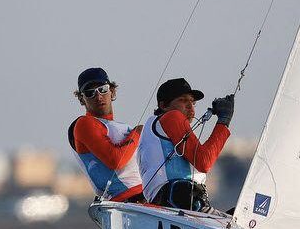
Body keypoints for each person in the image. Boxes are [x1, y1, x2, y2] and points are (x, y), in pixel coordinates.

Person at [137, 78, 234, 211]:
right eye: (183, 100)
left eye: (192, 102)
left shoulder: (153, 127)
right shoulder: (172, 117)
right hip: (178, 197)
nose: (190, 106)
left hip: (167, 202)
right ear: (163, 105)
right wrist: (223, 121)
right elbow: (203, 162)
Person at [66, 67, 144, 202]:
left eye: (102, 89)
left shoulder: (115, 126)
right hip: (128, 200)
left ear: (112, 91)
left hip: (146, 195)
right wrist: (137, 133)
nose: (98, 96)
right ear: (81, 99)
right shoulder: (85, 124)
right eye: (90, 93)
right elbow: (116, 160)